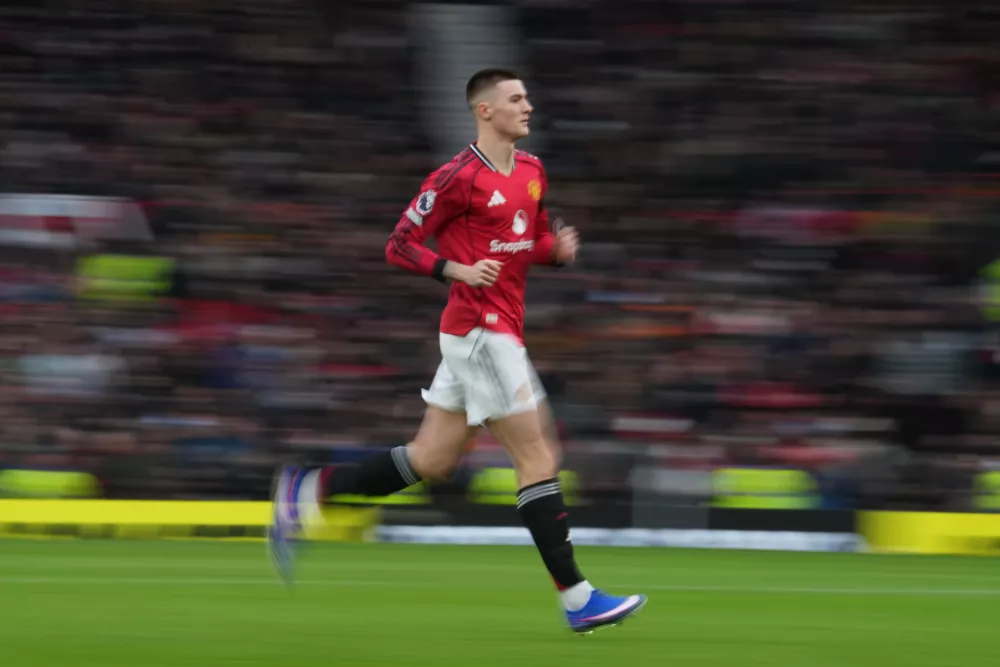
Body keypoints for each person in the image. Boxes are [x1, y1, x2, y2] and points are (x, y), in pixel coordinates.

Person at [268, 68, 646, 634]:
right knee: (537, 457)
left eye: (528, 96)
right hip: (478, 330)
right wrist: (456, 269)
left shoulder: (533, 171)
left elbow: (525, 239)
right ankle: (578, 598)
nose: (530, 106)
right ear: (485, 110)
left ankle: (307, 492)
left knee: (432, 460)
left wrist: (556, 252)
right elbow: (399, 244)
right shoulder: (455, 177)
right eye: (517, 98)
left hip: (499, 331)